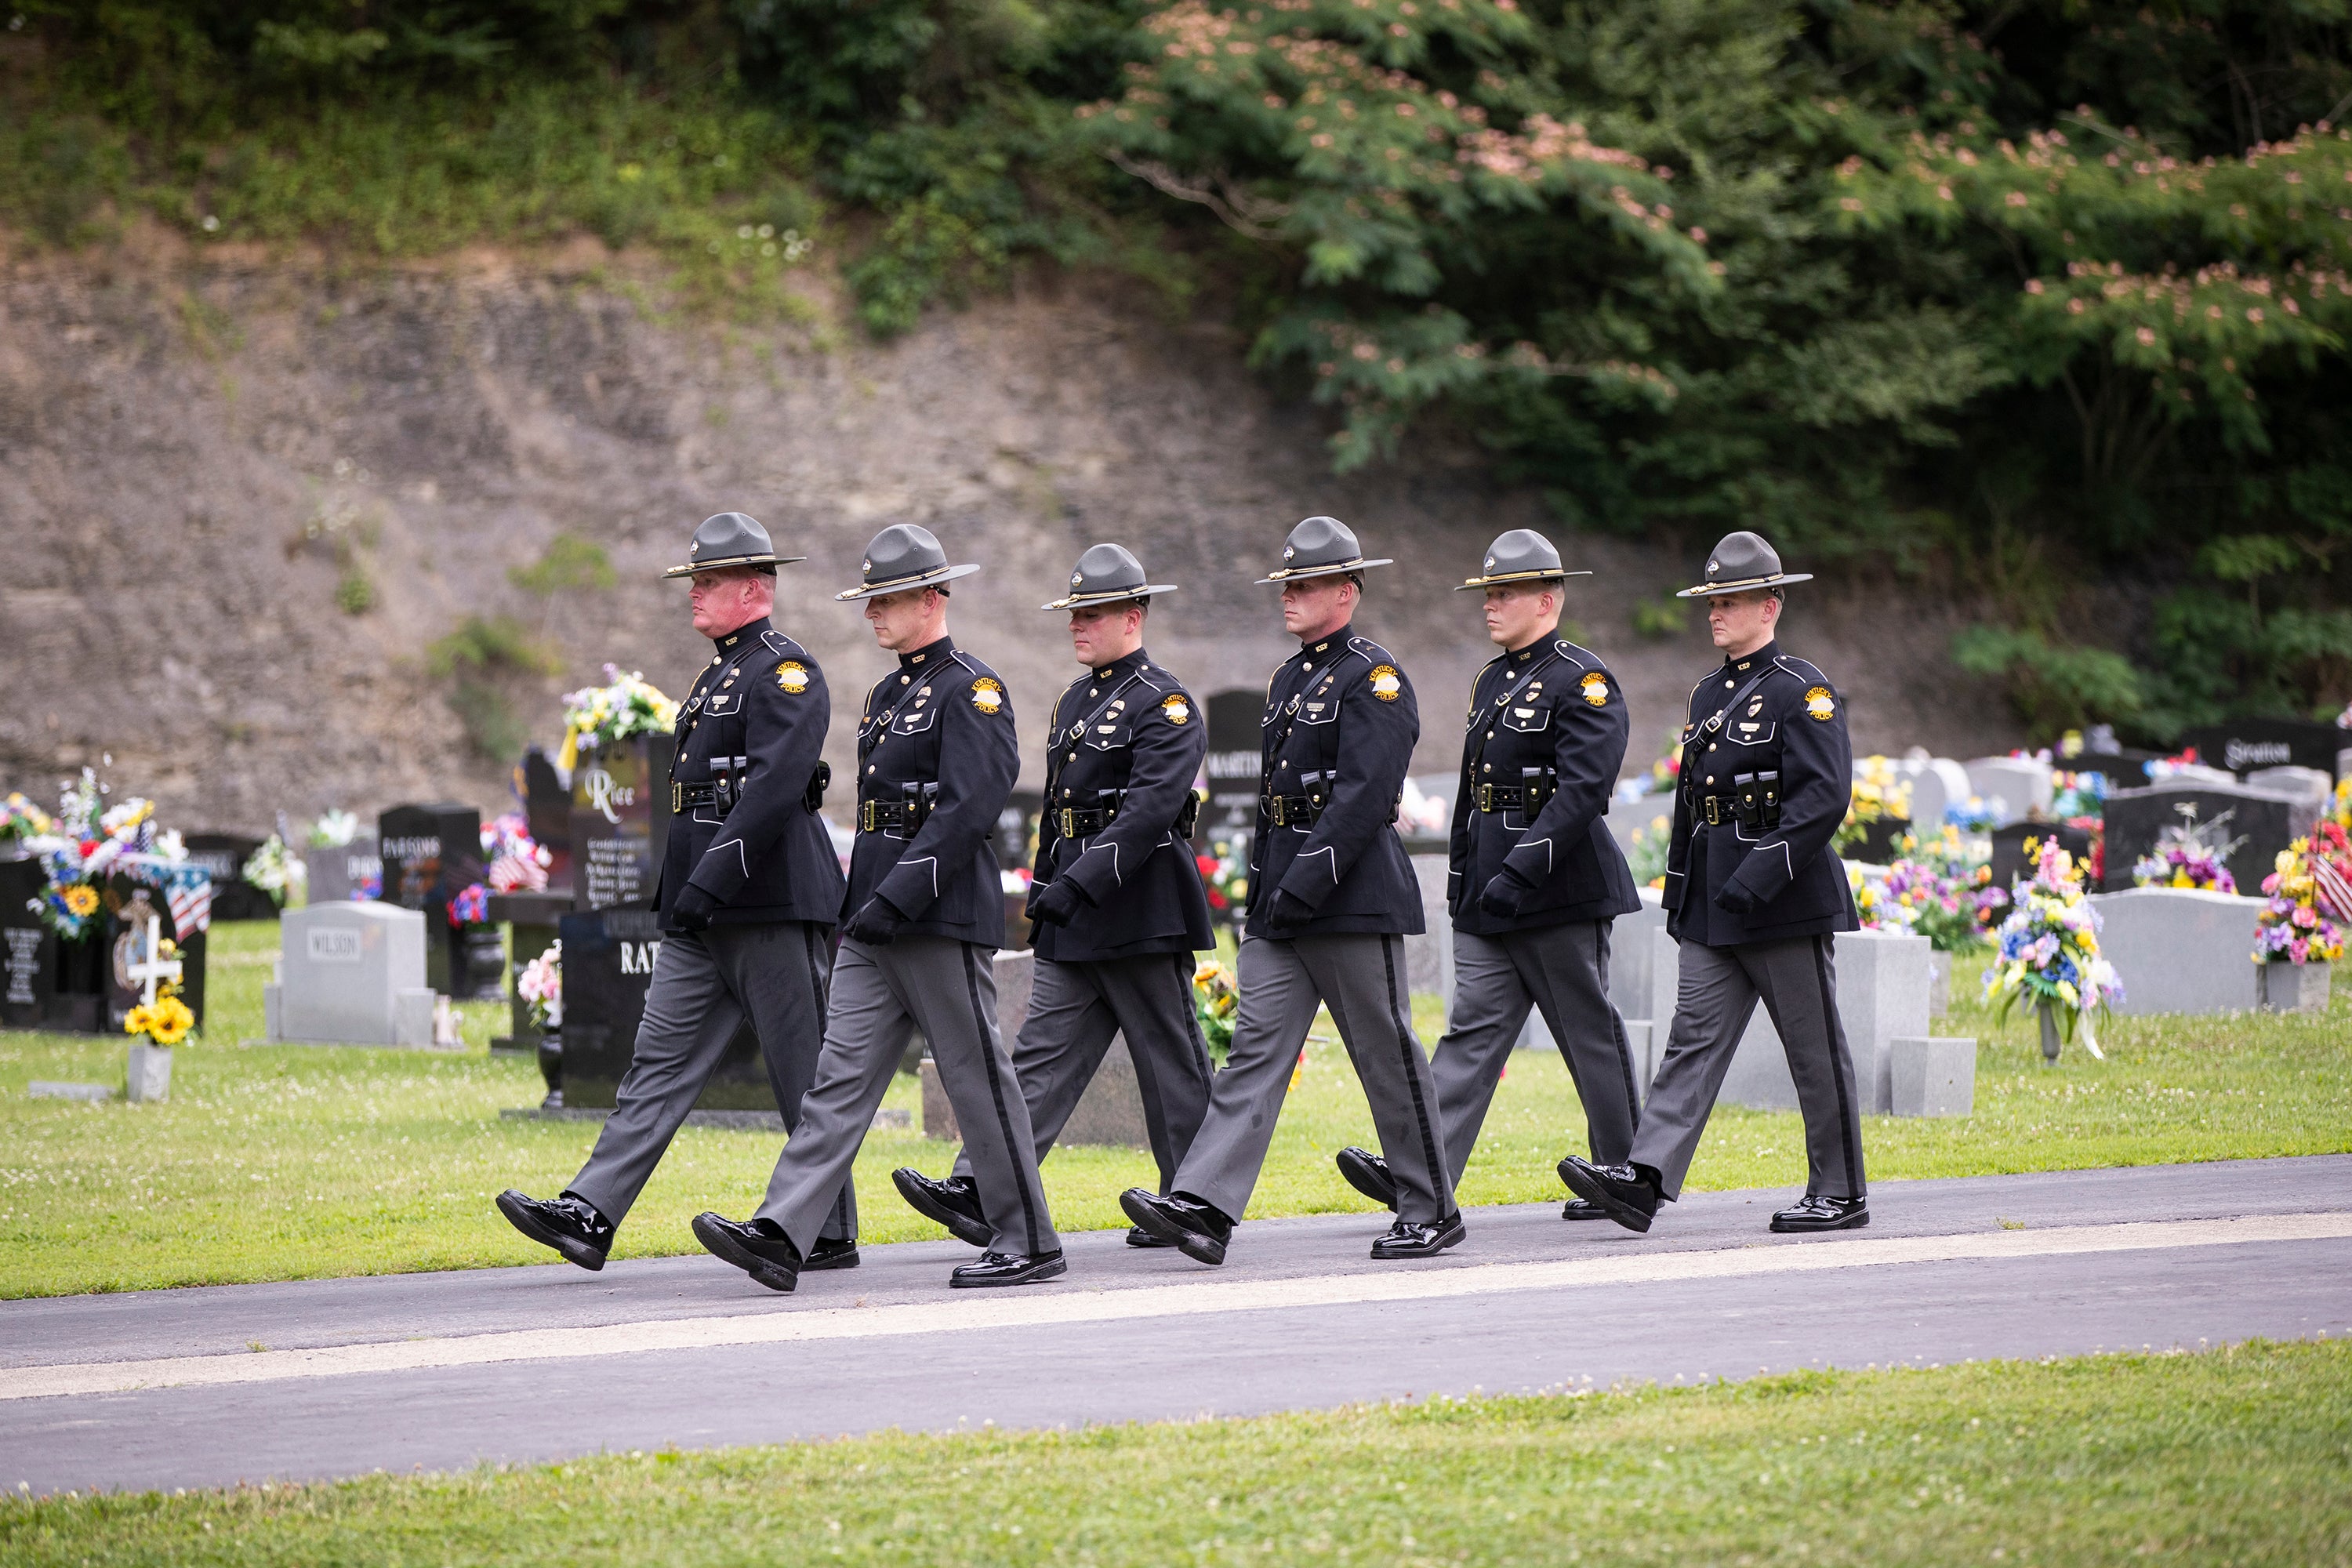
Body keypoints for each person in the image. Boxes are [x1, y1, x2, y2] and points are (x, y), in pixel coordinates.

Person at [691, 524, 1066, 1290]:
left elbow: (967, 811)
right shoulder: (889, 694)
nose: (873, 612)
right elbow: (875, 817)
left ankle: (1028, 1236)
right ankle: (785, 1228)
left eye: (887, 597)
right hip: (874, 921)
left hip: (935, 916)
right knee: (838, 1080)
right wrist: (860, 905)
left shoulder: (974, 689)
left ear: (933, 596)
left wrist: (895, 897)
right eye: (870, 598)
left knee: (975, 1078)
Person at [495, 511, 855, 1272]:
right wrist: (686, 891)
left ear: (755, 586)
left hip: (769, 899)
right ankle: (590, 1211)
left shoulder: (786, 671)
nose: (694, 592)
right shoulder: (714, 676)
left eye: (709, 579)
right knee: (655, 1062)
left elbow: (773, 787)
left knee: (802, 1073)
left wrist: (709, 880)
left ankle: (825, 1231)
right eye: (693, 579)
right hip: (702, 907)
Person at [1122, 516, 1460, 1265]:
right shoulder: (1289, 677)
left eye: (1303, 585)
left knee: (1385, 1052)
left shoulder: (1375, 677)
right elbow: (1278, 799)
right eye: (1286, 585)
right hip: (1285, 899)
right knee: (1254, 1053)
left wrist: (1306, 882)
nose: (1289, 597)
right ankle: (1205, 1204)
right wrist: (1267, 893)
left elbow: (1366, 794)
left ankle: (1431, 1206)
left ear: (1347, 590)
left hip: (1349, 892)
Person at [893, 544, 1217, 1250]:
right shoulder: (1076, 698)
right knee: (1038, 1058)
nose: (1078, 625)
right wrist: (1045, 890)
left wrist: (1078, 884)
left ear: (1133, 615)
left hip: (1139, 911)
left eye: (1092, 613)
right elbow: (1063, 812)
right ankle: (983, 1187)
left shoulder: (1164, 702)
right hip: (1076, 914)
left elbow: (1148, 810)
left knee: (1171, 1063)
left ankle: (1196, 1202)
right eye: (1074, 613)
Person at [1559, 530, 1867, 1235]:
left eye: (1728, 601)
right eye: (1710, 601)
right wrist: (1681, 891)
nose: (1715, 613)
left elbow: (1822, 799)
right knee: (1691, 1040)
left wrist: (1760, 878)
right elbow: (1693, 806)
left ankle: (1841, 1190)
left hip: (1783, 898)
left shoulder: (1803, 691)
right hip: (1714, 901)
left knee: (1812, 1047)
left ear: (1770, 605)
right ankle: (1645, 1178)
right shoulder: (1707, 694)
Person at [1330, 529, 1643, 1223]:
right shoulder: (1493, 679)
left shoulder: (1582, 679)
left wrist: (1522, 869)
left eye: (1505, 594)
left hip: (1559, 885)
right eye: (1488, 594)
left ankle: (1626, 1171)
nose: (1491, 606)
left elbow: (1582, 791)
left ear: (1548, 598)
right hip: (1489, 888)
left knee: (1586, 1026)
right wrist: (1466, 880)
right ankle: (1426, 1164)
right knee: (1471, 1031)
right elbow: (1475, 794)